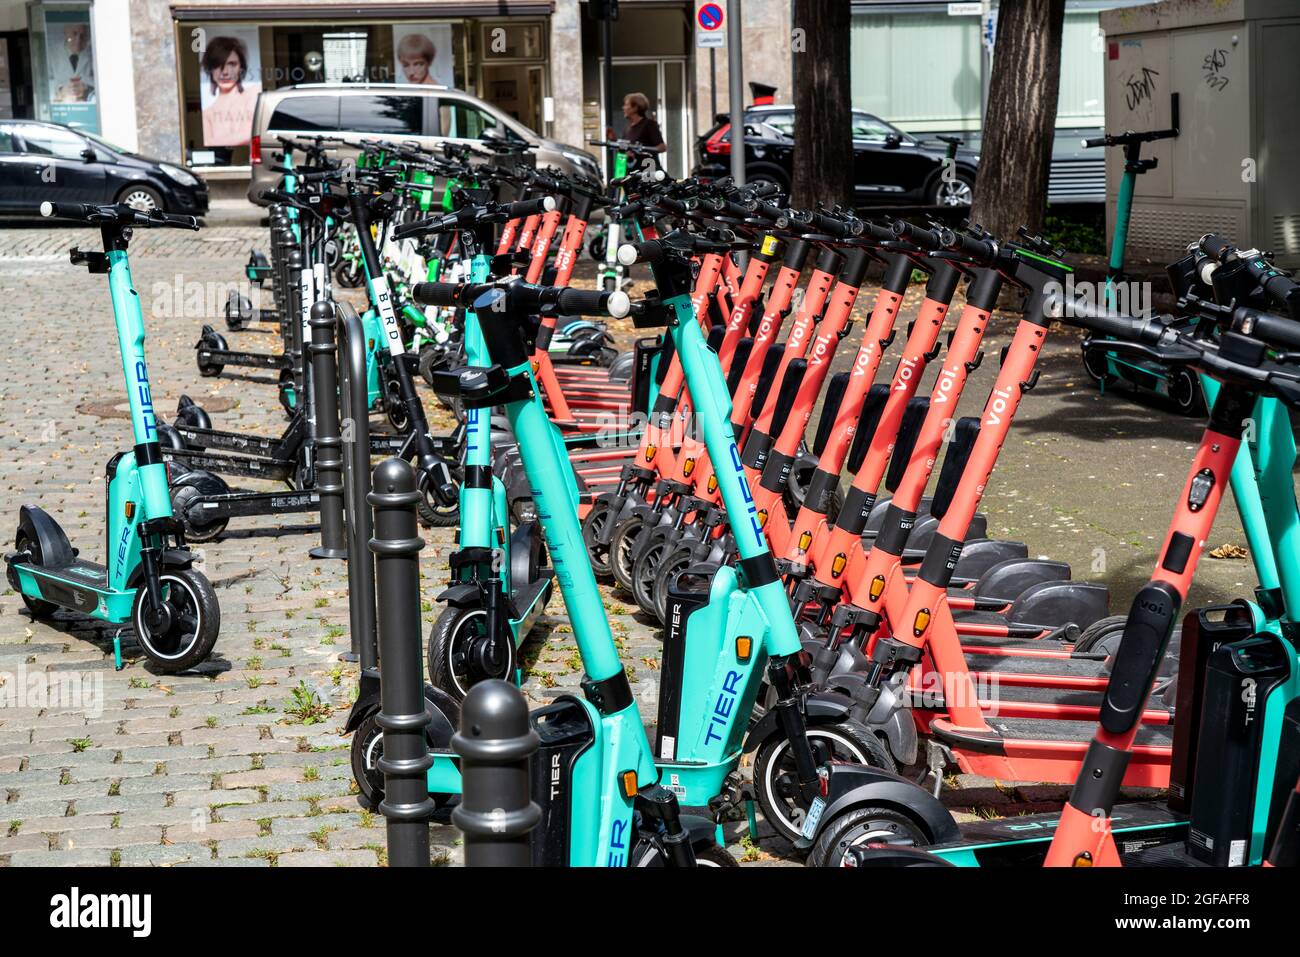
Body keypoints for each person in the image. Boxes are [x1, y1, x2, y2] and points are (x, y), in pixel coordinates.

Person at [200, 36, 260, 147]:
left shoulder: (254, 93)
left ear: (241, 67)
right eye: (218, 65)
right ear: (210, 69)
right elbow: (207, 143)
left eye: (232, 64)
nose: (225, 72)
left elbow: (254, 133)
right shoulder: (207, 114)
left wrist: (215, 141)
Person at [49, 23, 95, 103]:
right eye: (74, 34)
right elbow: (43, 84)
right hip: (62, 107)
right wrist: (61, 90)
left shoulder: (94, 53)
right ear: (66, 33)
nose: (78, 41)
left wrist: (88, 89)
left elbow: (102, 83)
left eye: (82, 36)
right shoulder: (51, 53)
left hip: (86, 106)